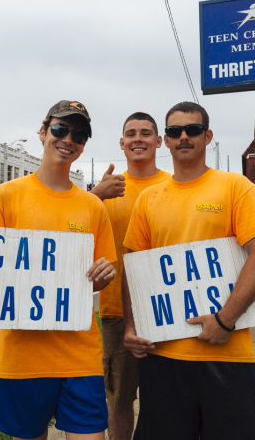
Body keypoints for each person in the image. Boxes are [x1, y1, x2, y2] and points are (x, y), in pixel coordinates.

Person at [0, 100, 118, 440]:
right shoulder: (6, 197)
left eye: (78, 135)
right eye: (61, 129)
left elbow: (97, 283)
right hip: (21, 360)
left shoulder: (93, 206)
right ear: (43, 131)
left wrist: (103, 276)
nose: (68, 140)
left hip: (80, 357)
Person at [121, 101, 255, 440]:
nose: (183, 137)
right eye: (174, 131)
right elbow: (134, 269)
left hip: (227, 356)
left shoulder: (235, 187)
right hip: (162, 355)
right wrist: (133, 326)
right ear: (165, 140)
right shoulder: (148, 200)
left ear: (207, 136)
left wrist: (226, 320)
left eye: (192, 130)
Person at [89, 112, 170, 440]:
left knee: (168, 397)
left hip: (169, 309)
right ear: (121, 143)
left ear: (158, 141)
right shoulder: (109, 190)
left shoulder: (173, 185)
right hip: (117, 313)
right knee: (119, 399)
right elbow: (70, 227)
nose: (138, 138)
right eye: (131, 134)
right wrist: (95, 195)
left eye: (146, 133)